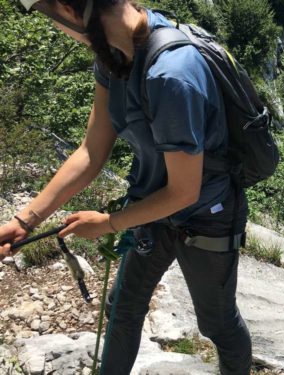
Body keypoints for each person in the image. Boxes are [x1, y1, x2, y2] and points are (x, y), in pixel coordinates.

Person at [0, 1, 252, 374]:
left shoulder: (171, 73)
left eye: (52, 20)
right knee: (122, 306)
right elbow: (91, 151)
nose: (59, 31)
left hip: (206, 215)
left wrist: (108, 223)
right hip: (151, 202)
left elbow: (184, 191)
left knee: (215, 322)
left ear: (69, 10)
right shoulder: (113, 56)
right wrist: (26, 220)